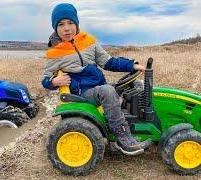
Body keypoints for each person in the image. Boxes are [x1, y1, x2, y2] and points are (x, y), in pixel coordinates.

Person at [42, 3, 151, 153]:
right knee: (107, 91)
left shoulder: (89, 42)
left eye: (70, 23)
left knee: (134, 87)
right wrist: (54, 81)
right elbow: (45, 80)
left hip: (97, 87)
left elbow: (108, 61)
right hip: (80, 93)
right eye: (61, 24)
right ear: (55, 28)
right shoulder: (54, 53)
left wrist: (132, 65)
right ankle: (123, 137)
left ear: (76, 23)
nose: (66, 28)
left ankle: (137, 122)